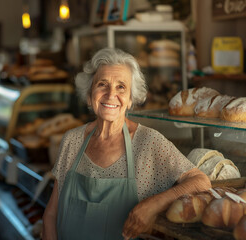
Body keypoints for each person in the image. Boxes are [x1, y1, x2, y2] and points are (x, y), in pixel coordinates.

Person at [42, 48, 211, 240]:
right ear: (90, 95)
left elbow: (201, 182)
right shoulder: (72, 140)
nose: (110, 94)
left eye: (121, 87)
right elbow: (51, 215)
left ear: (131, 100)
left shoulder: (149, 142)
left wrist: (154, 204)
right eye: (102, 84)